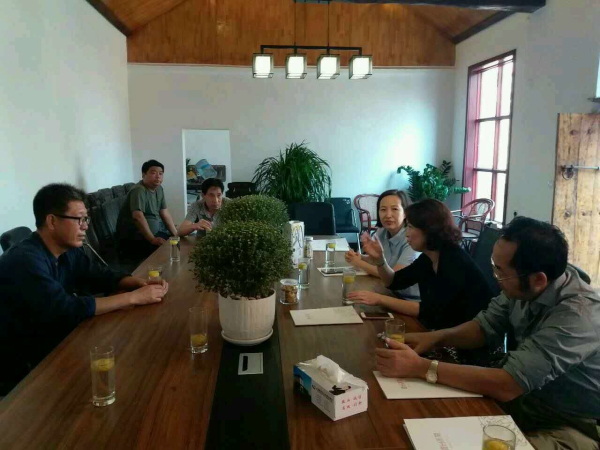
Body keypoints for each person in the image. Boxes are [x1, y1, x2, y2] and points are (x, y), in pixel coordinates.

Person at [376, 217, 600, 449]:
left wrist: (421, 367)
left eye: (500, 272)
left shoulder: (578, 315)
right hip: (521, 403)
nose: (495, 277)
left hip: (568, 424)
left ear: (538, 280)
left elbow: (508, 383)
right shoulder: (525, 283)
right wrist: (434, 338)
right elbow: (483, 327)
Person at [0, 184, 169, 395]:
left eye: (86, 219)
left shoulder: (66, 249)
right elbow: (65, 309)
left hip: (57, 340)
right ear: (52, 221)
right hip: (25, 368)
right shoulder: (25, 260)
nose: (85, 226)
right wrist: (133, 298)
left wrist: (136, 283)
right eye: (79, 219)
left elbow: (97, 274)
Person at [352, 198, 493, 331]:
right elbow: (394, 282)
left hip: (468, 337)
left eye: (410, 227)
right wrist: (380, 261)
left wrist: (379, 299)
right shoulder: (429, 256)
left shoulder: (454, 260)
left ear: (429, 229)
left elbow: (429, 310)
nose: (406, 234)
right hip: (445, 329)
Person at [345, 190, 420, 300]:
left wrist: (359, 263)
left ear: (405, 213)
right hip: (388, 291)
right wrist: (360, 257)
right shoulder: (382, 231)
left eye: (395, 209)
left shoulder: (412, 239)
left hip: (407, 299)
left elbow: (394, 276)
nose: (388, 215)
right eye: (383, 209)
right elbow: (379, 261)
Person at [116, 160, 178, 259]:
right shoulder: (139, 190)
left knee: (177, 243)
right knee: (168, 251)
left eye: (161, 173)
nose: (158, 176)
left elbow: (164, 212)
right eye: (153, 173)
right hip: (136, 238)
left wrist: (176, 233)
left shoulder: (159, 189)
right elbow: (137, 217)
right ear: (143, 175)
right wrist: (152, 239)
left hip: (154, 233)